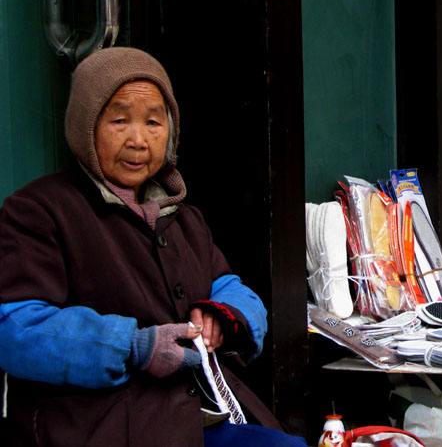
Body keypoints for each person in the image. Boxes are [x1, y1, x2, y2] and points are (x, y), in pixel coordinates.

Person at [0, 47, 306, 446]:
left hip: (196, 415)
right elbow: (15, 327)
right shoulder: (39, 211)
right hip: (97, 426)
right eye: (120, 120)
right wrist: (133, 346)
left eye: (154, 122)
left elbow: (230, 286)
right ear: (85, 126)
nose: (139, 140)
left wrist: (223, 316)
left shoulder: (182, 216)